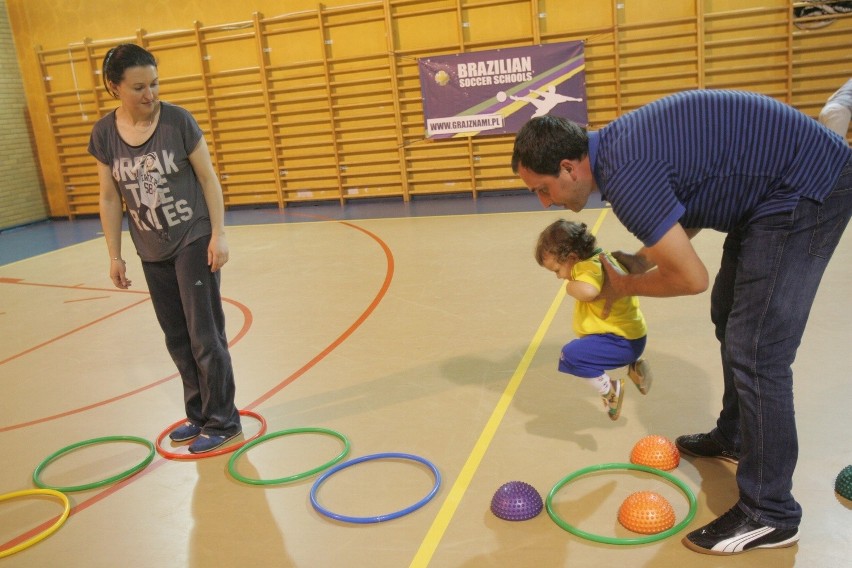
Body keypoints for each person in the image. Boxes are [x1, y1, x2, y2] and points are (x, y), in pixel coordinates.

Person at [511, 90, 852, 555]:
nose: (544, 204)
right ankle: (734, 434)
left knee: (757, 349)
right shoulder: (615, 151)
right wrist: (636, 261)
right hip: (773, 194)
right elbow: (682, 216)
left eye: (542, 189)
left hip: (808, 188)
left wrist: (622, 287)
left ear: (570, 168)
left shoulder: (624, 176)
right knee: (728, 313)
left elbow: (690, 277)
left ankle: (770, 513)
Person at [88, 44, 241, 454]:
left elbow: (208, 179)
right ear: (113, 87)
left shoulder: (178, 122)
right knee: (176, 337)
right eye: (138, 87)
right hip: (150, 247)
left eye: (154, 84)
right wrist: (115, 256)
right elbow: (108, 197)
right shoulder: (104, 134)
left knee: (204, 335)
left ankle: (223, 420)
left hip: (192, 236)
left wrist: (219, 234)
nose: (149, 94)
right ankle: (198, 414)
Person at [534, 219, 650, 420]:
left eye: (557, 270)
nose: (559, 277)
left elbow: (589, 291)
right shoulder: (603, 258)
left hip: (621, 343)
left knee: (571, 355)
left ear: (572, 257)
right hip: (633, 338)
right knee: (588, 343)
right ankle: (633, 366)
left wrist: (570, 287)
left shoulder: (586, 269)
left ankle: (610, 390)